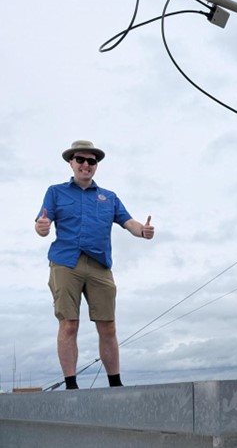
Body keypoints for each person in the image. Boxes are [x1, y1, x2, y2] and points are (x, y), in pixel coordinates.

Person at [35, 140, 155, 390]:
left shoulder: (108, 197)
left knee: (108, 325)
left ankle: (115, 385)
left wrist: (142, 231)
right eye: (80, 160)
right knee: (69, 324)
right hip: (65, 263)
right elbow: (42, 224)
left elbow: (128, 222)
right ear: (71, 162)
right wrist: (41, 227)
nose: (86, 165)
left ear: (96, 166)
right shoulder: (55, 192)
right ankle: (71, 386)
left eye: (92, 161)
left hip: (100, 266)